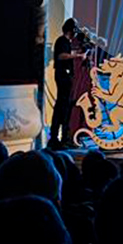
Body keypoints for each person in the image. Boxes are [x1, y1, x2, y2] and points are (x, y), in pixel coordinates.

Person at [49, 19, 84, 148]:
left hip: (66, 76)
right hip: (63, 76)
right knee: (62, 106)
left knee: (64, 106)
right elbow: (61, 56)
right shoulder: (62, 41)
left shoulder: (66, 42)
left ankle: (63, 137)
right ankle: (56, 138)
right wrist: (77, 56)